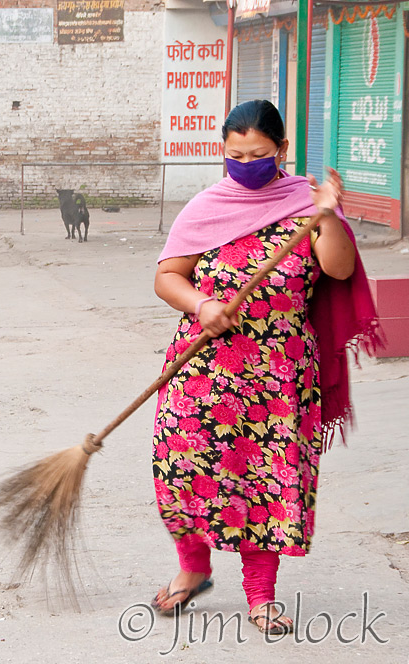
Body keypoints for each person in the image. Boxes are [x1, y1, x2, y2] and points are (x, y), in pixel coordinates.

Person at [149, 99, 380, 635]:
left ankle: (261, 595)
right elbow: (168, 277)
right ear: (222, 152)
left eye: (258, 154)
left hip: (279, 372)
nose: (246, 163)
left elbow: (339, 268)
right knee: (183, 470)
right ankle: (193, 568)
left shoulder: (306, 204)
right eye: (235, 155)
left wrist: (326, 214)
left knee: (265, 480)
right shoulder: (206, 205)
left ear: (281, 150)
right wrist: (202, 305)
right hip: (202, 365)